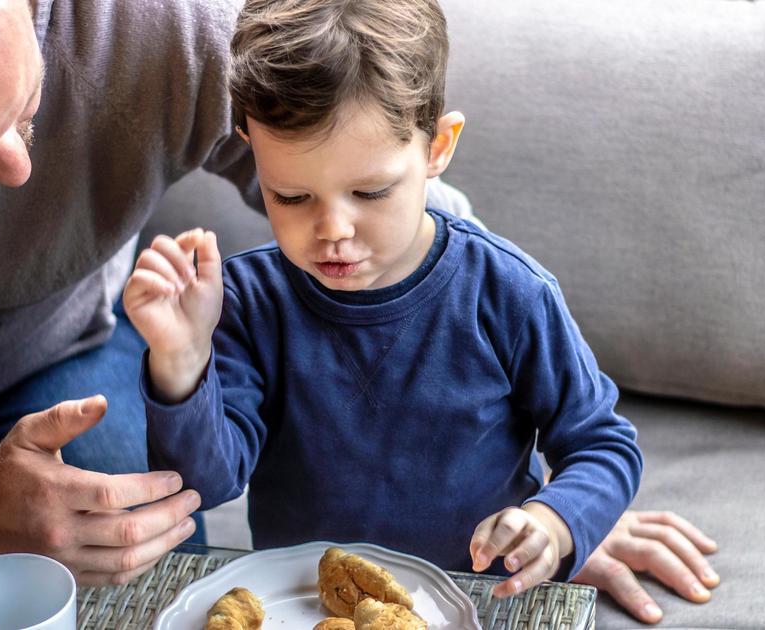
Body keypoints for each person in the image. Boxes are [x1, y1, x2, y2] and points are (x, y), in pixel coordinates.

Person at [0, 0, 719, 622]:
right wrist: (176, 362)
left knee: (136, 508)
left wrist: (567, 512)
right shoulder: (258, 300)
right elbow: (222, 463)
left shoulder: (158, 33)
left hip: (46, 375)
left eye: (30, 108)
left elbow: (376, 177)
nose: (19, 173)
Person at [126, 0, 646, 600]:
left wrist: (555, 522)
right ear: (251, 149)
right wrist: (182, 362)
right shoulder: (244, 303)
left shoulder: (511, 293)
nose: (333, 230)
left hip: (475, 596)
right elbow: (203, 486)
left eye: (370, 192)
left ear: (437, 148)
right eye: (291, 197)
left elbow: (602, 444)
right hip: (310, 603)